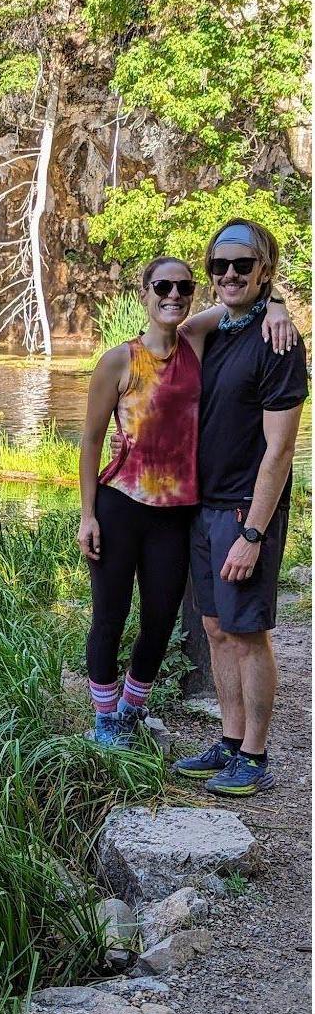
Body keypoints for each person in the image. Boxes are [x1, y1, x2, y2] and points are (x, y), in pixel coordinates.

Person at [77, 254, 295, 749]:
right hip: (119, 505)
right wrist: (88, 514)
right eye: (162, 287)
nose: (173, 296)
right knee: (109, 617)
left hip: (176, 514)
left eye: (183, 288)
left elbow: (240, 299)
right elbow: (91, 440)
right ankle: (106, 719)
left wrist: (278, 304)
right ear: (144, 293)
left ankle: (134, 706)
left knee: (160, 619)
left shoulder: (195, 342)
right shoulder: (119, 359)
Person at [172, 220, 308, 796]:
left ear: (264, 270)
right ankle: (229, 741)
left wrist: (252, 534)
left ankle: (255, 755)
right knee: (213, 627)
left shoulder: (280, 344)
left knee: (247, 632)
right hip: (204, 508)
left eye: (243, 267)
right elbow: (181, 320)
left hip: (242, 513)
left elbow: (279, 451)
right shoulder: (222, 328)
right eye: (218, 267)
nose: (229, 275)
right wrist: (270, 299)